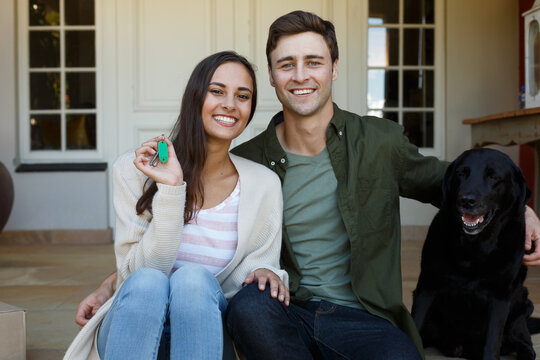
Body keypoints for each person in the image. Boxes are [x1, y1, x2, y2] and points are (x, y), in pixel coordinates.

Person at [75, 10, 540, 360]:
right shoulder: (251, 159)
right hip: (284, 308)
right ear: (274, 78)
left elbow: (448, 178)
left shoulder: (378, 142)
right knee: (248, 307)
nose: (301, 76)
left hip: (362, 314)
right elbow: (180, 251)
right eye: (286, 65)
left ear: (333, 69)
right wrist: (115, 283)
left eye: (313, 62)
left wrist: (521, 205)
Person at [64, 51, 289, 360]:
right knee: (147, 283)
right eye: (217, 91)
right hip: (132, 327)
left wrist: (269, 273)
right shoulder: (134, 170)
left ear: (250, 110)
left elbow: (255, 273)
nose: (230, 104)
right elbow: (136, 274)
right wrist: (171, 190)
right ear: (195, 97)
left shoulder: (263, 184)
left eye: (243, 96)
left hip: (204, 334)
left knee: (193, 280)